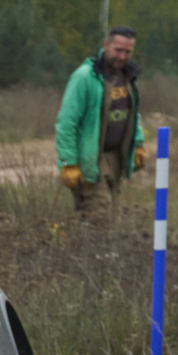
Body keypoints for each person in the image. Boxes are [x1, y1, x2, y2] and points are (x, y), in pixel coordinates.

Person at [54, 27, 147, 221]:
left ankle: (97, 250)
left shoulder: (128, 77)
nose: (122, 56)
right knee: (98, 217)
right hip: (91, 159)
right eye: (118, 50)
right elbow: (66, 123)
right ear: (106, 45)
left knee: (111, 216)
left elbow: (132, 114)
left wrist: (138, 144)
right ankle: (91, 251)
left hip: (117, 158)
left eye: (127, 52)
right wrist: (68, 163)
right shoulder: (85, 77)